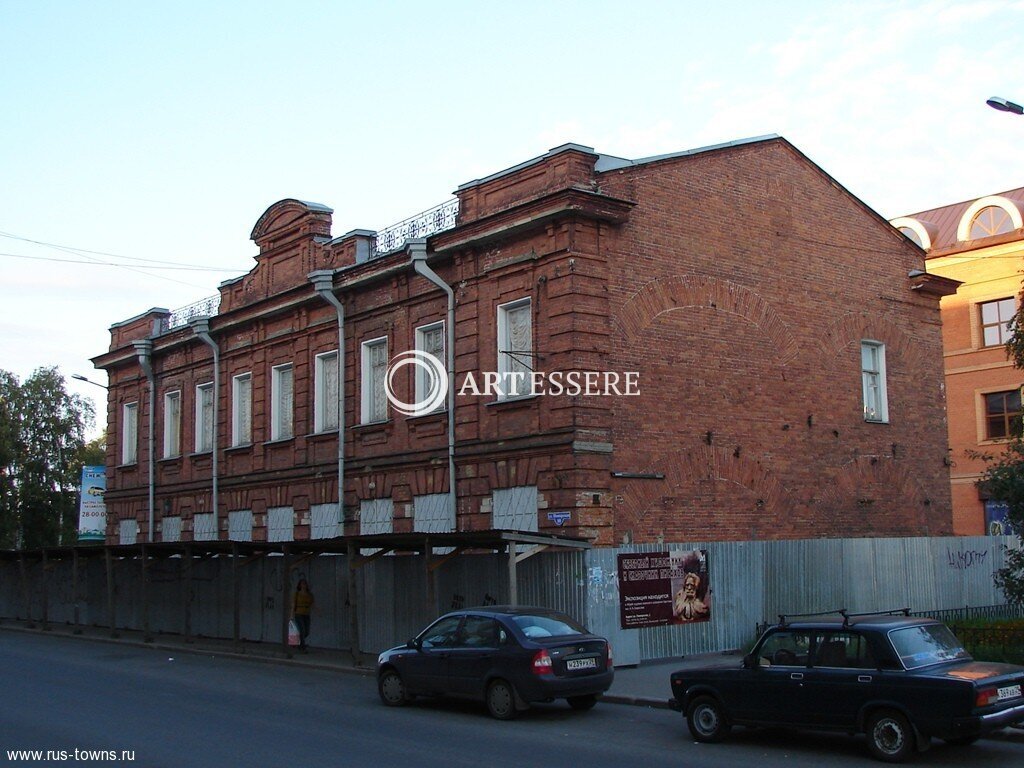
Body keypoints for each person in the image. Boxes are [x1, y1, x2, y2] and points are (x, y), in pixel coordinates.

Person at [292, 578, 314, 651]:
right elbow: (293, 604)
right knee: (302, 630)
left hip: (306, 614)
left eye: (305, 584)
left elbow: (312, 604)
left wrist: (318, 611)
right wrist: (291, 614)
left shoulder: (309, 595)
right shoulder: (297, 594)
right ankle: (302, 647)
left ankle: (297, 641)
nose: (304, 585)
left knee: (306, 632)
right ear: (300, 585)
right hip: (299, 613)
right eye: (302, 584)